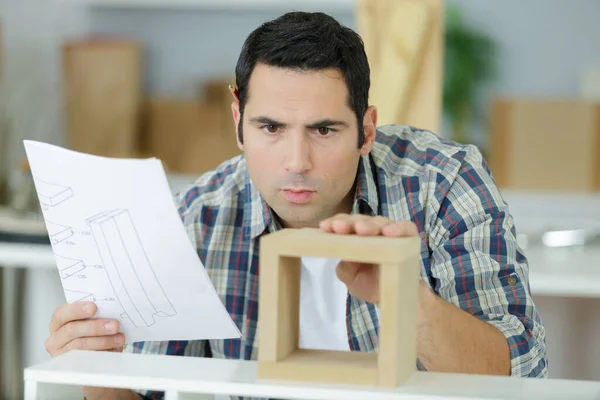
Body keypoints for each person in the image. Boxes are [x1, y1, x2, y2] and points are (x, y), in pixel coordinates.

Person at [44, 11, 547, 400]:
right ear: (238, 118)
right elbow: (147, 393)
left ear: (367, 129)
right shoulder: (199, 217)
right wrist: (96, 371)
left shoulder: (443, 184)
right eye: (270, 128)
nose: (296, 162)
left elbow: (518, 376)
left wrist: (406, 302)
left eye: (324, 130)